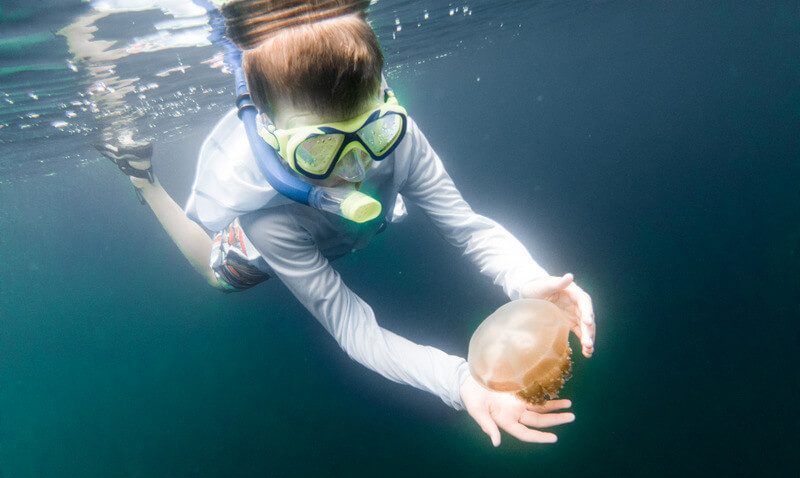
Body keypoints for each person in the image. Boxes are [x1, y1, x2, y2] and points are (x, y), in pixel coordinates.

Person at [97, 0, 596, 447]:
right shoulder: (267, 217)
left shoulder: (400, 141)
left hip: (354, 227)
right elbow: (354, 329)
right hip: (279, 234)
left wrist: (529, 279)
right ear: (272, 134)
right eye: (319, 149)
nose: (355, 169)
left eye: (372, 133)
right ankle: (143, 178)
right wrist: (459, 381)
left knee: (383, 187)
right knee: (216, 275)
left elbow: (468, 228)